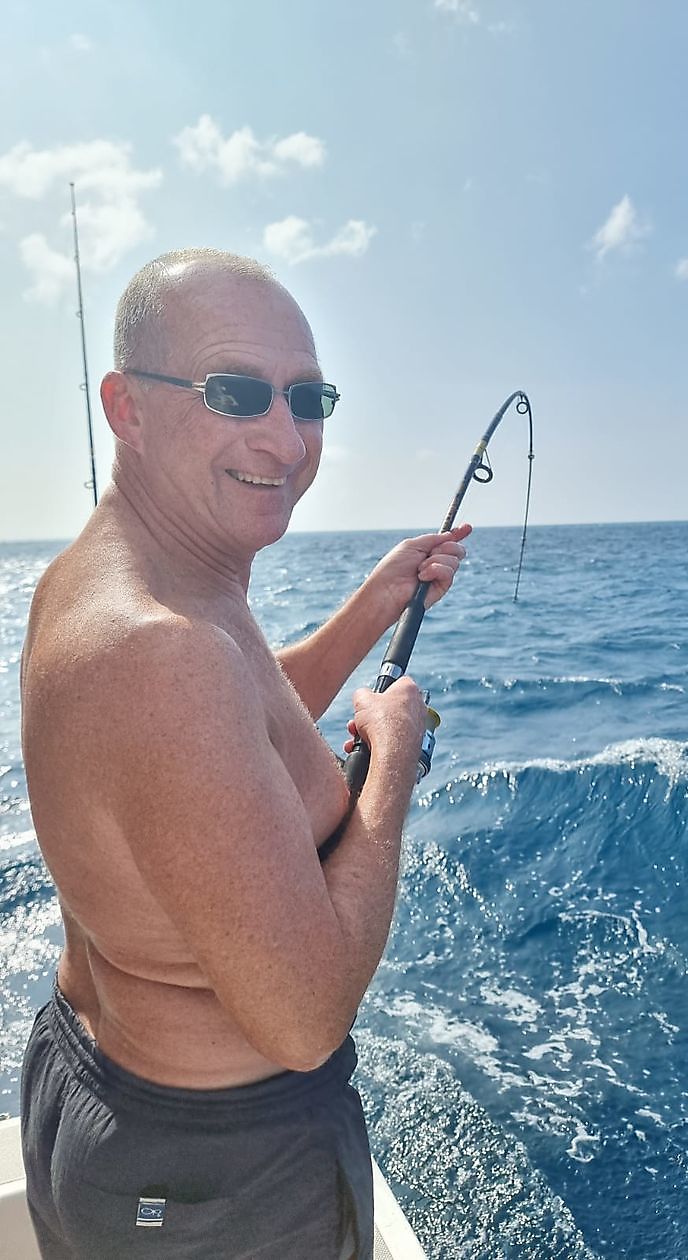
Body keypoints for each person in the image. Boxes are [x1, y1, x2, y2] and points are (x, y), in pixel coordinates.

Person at [18, 248, 471, 1259]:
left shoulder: (110, 582)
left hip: (93, 1097)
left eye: (308, 398)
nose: (286, 436)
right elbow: (305, 1018)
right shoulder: (163, 652)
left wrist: (378, 601)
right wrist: (391, 763)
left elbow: (226, 736)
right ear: (126, 408)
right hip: (212, 1180)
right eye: (235, 392)